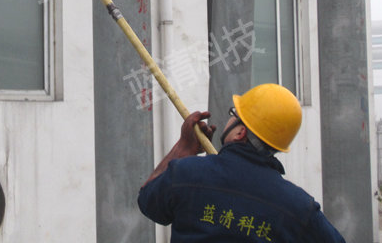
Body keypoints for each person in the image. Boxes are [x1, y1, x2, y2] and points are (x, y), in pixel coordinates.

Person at [138, 83, 346, 242]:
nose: (229, 119)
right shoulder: (300, 208)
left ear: (241, 131)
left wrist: (184, 147)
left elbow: (148, 201)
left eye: (234, 114)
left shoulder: (185, 174)